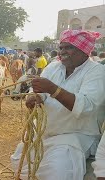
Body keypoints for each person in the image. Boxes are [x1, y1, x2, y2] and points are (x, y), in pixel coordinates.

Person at [11, 29, 105, 179]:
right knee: (19, 164)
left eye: (69, 47)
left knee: (57, 172)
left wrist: (53, 89)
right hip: (45, 132)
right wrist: (35, 97)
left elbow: (87, 107)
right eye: (61, 47)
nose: (62, 52)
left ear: (83, 50)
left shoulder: (97, 72)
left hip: (75, 136)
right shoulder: (53, 67)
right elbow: (39, 90)